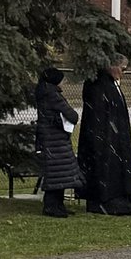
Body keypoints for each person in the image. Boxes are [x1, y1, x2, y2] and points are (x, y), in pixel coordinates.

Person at [77, 55, 131, 215]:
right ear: (111, 66)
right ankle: (105, 201)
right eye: (122, 69)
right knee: (105, 168)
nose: (122, 73)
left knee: (117, 166)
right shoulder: (97, 84)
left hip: (116, 135)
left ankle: (123, 198)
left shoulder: (111, 85)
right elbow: (98, 114)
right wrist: (105, 135)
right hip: (104, 136)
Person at [34, 67, 83, 218]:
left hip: (48, 138)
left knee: (56, 173)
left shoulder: (43, 93)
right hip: (56, 139)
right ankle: (52, 206)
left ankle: (57, 205)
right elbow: (72, 115)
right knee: (58, 173)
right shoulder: (53, 95)